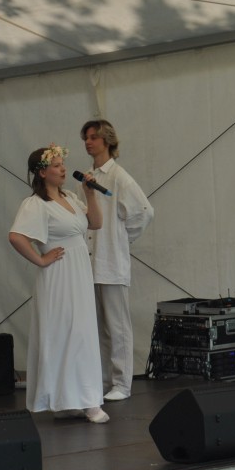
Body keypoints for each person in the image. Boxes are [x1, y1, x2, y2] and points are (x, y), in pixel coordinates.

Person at [9, 145, 108, 423]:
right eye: (56, 165)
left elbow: (96, 223)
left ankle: (76, 398)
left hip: (79, 272)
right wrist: (40, 259)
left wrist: (89, 193)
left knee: (82, 332)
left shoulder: (70, 198)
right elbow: (16, 237)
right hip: (58, 274)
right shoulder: (35, 204)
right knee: (65, 332)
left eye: (62, 164)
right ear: (42, 172)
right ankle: (80, 400)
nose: (63, 169)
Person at [81, 119, 154, 402]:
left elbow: (144, 212)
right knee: (97, 326)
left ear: (107, 141)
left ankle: (122, 382)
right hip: (91, 262)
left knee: (117, 326)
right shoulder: (87, 176)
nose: (88, 142)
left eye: (93, 137)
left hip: (111, 262)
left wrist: (123, 238)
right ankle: (102, 380)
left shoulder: (119, 177)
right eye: (86, 138)